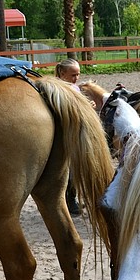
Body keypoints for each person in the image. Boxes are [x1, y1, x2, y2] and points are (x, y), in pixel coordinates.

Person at [55, 58, 83, 216]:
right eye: (73, 75)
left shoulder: (74, 87)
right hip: (65, 132)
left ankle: (71, 197)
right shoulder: (58, 89)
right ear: (62, 73)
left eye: (78, 74)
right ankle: (68, 200)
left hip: (74, 131)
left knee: (74, 168)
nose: (76, 78)